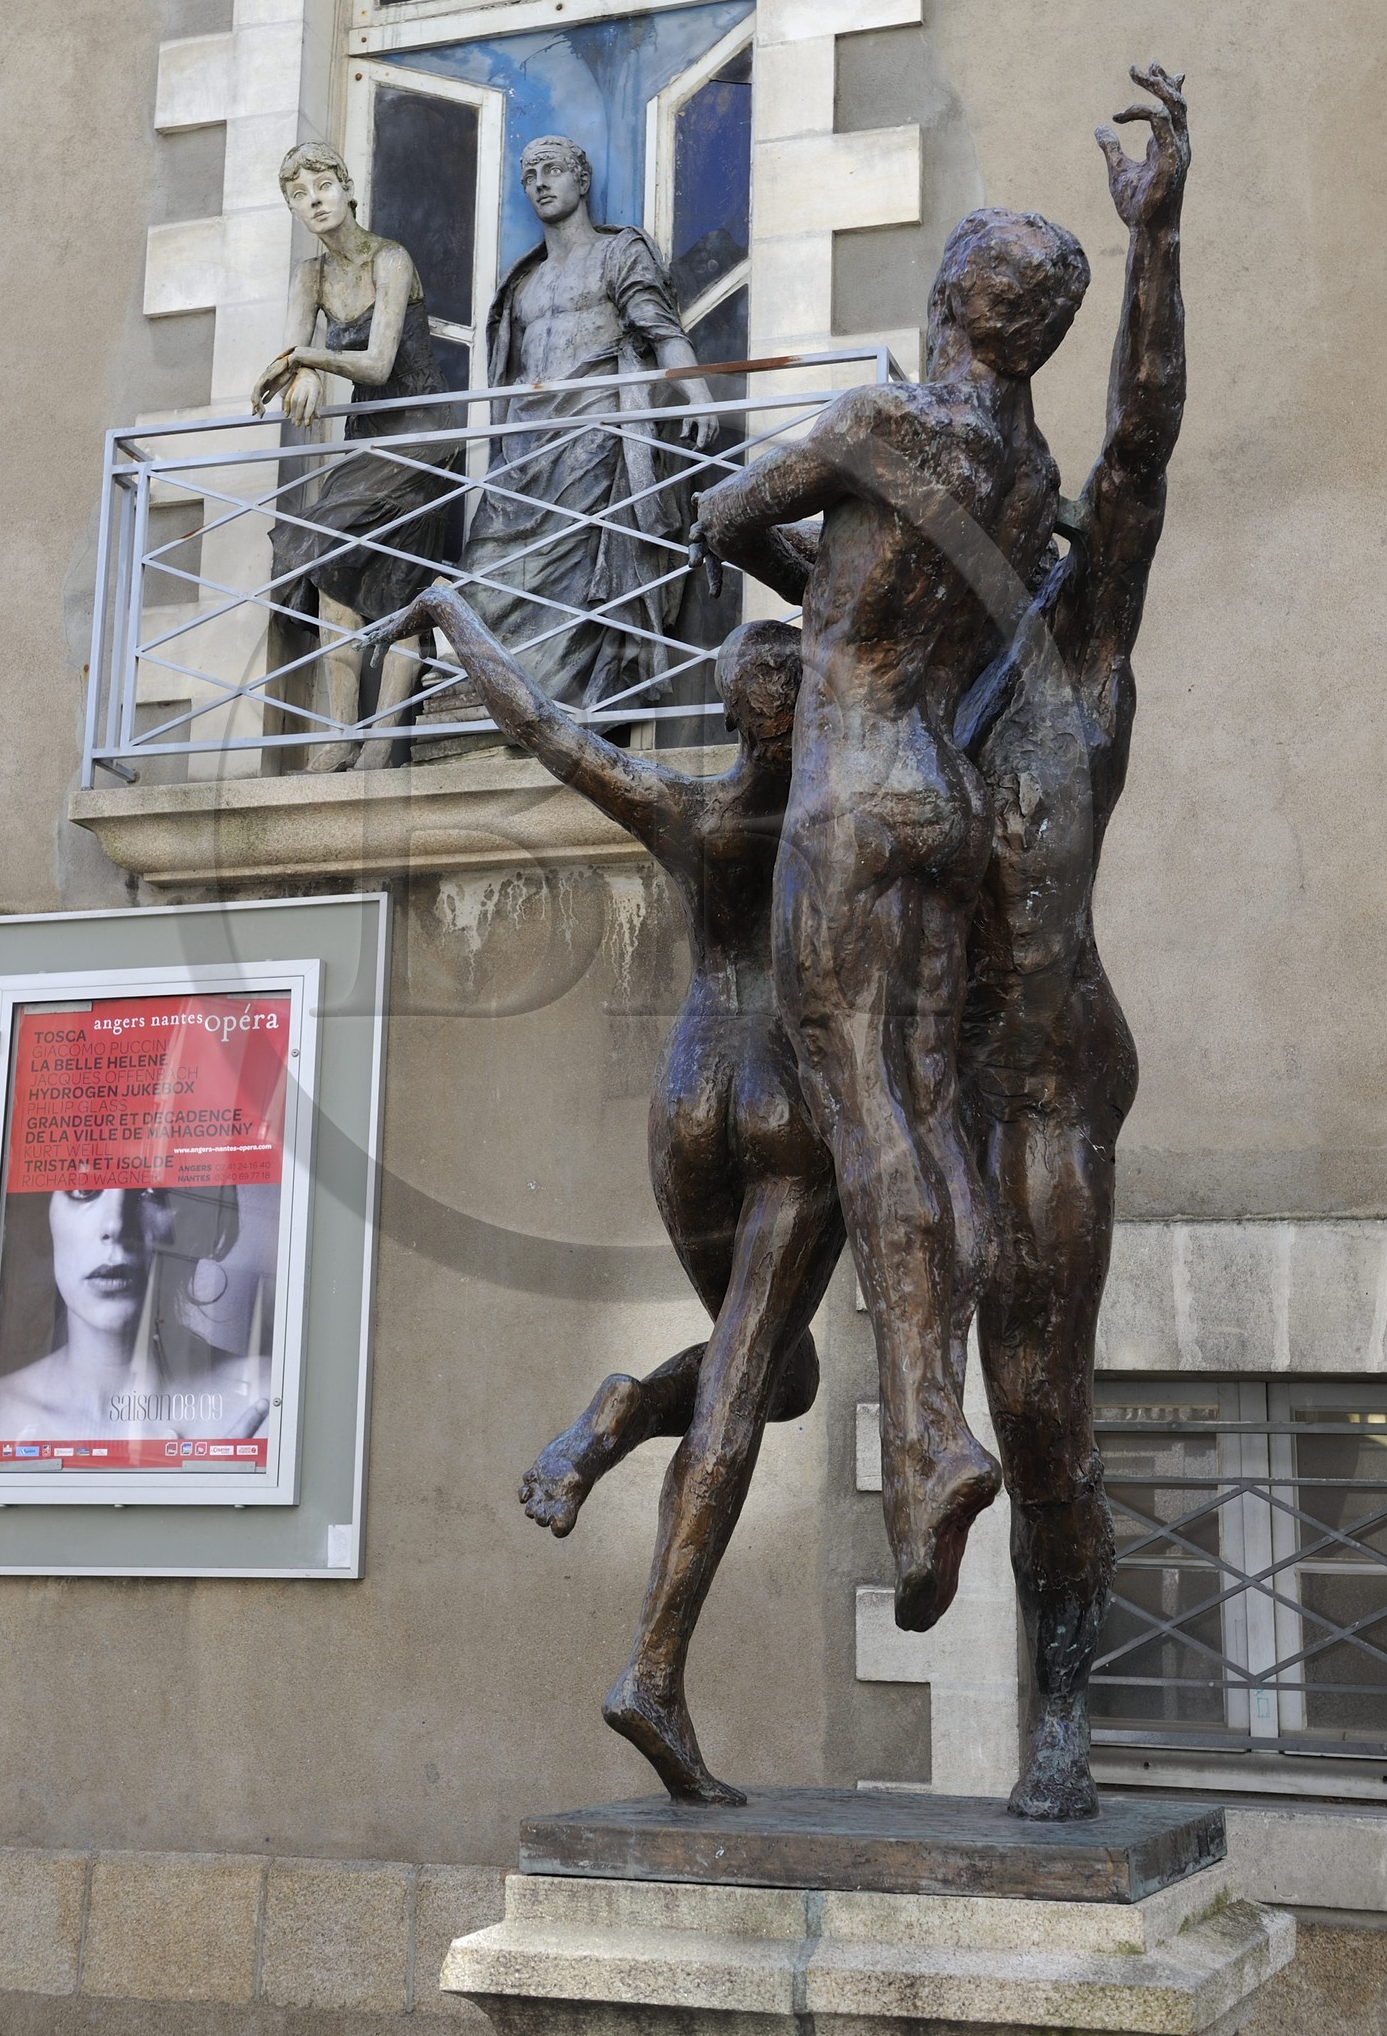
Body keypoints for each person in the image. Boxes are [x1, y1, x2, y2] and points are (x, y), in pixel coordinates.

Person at [367, 576, 842, 1803]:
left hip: (684, 1097)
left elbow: (539, 726)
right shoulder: (849, 814)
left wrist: (446, 616)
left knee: (781, 1370)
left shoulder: (688, 811)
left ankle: (625, 1408)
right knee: (749, 1378)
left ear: (735, 710)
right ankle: (652, 1669)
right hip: (789, 1101)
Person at [693, 204, 1091, 1636]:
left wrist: (826, 617)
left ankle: (928, 1451)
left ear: (947, 298)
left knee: (870, 1124)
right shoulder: (1028, 474)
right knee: (925, 1121)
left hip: (852, 794)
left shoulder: (881, 423)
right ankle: (944, 1422)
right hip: (947, 800)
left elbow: (720, 516)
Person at [962, 66, 1191, 1818]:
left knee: (1041, 1408)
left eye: (1029, 499)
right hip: (904, 1061)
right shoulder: (888, 681)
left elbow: (1145, 442)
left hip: (1045, 1076)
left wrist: (1156, 244)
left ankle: (1061, 1710)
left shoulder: (1083, 661)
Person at [453, 135, 721, 716]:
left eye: (553, 171)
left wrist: (696, 392)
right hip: (523, 452)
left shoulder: (618, 252)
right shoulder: (521, 281)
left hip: (592, 441)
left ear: (582, 179)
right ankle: (488, 704)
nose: (541, 184)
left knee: (577, 582)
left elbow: (659, 328)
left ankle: (554, 704)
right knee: (483, 571)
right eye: (530, 176)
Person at [252, 142, 459, 771]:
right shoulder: (309, 276)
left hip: (422, 431)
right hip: (369, 435)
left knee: (400, 580)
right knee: (332, 570)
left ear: (346, 187)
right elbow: (290, 357)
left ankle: (381, 739)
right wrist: (299, 376)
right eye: (297, 194)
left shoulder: (391, 260)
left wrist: (309, 362)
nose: (312, 201)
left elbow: (378, 363)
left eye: (321, 185)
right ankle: (341, 733)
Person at [0, 1187, 270, 1445]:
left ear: (196, 1223)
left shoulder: (262, 1401)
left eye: (153, 1191)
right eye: (84, 1188)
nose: (116, 1225)